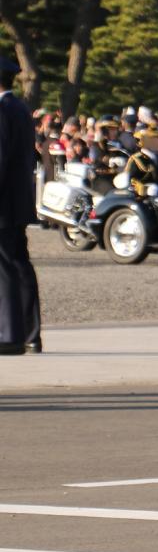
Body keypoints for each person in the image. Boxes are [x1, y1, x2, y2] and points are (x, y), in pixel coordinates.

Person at [0, 58, 41, 355]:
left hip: (3, 202)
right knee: (18, 265)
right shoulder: (20, 108)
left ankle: (9, 334)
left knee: (6, 268)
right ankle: (29, 332)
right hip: (16, 200)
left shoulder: (2, 110)